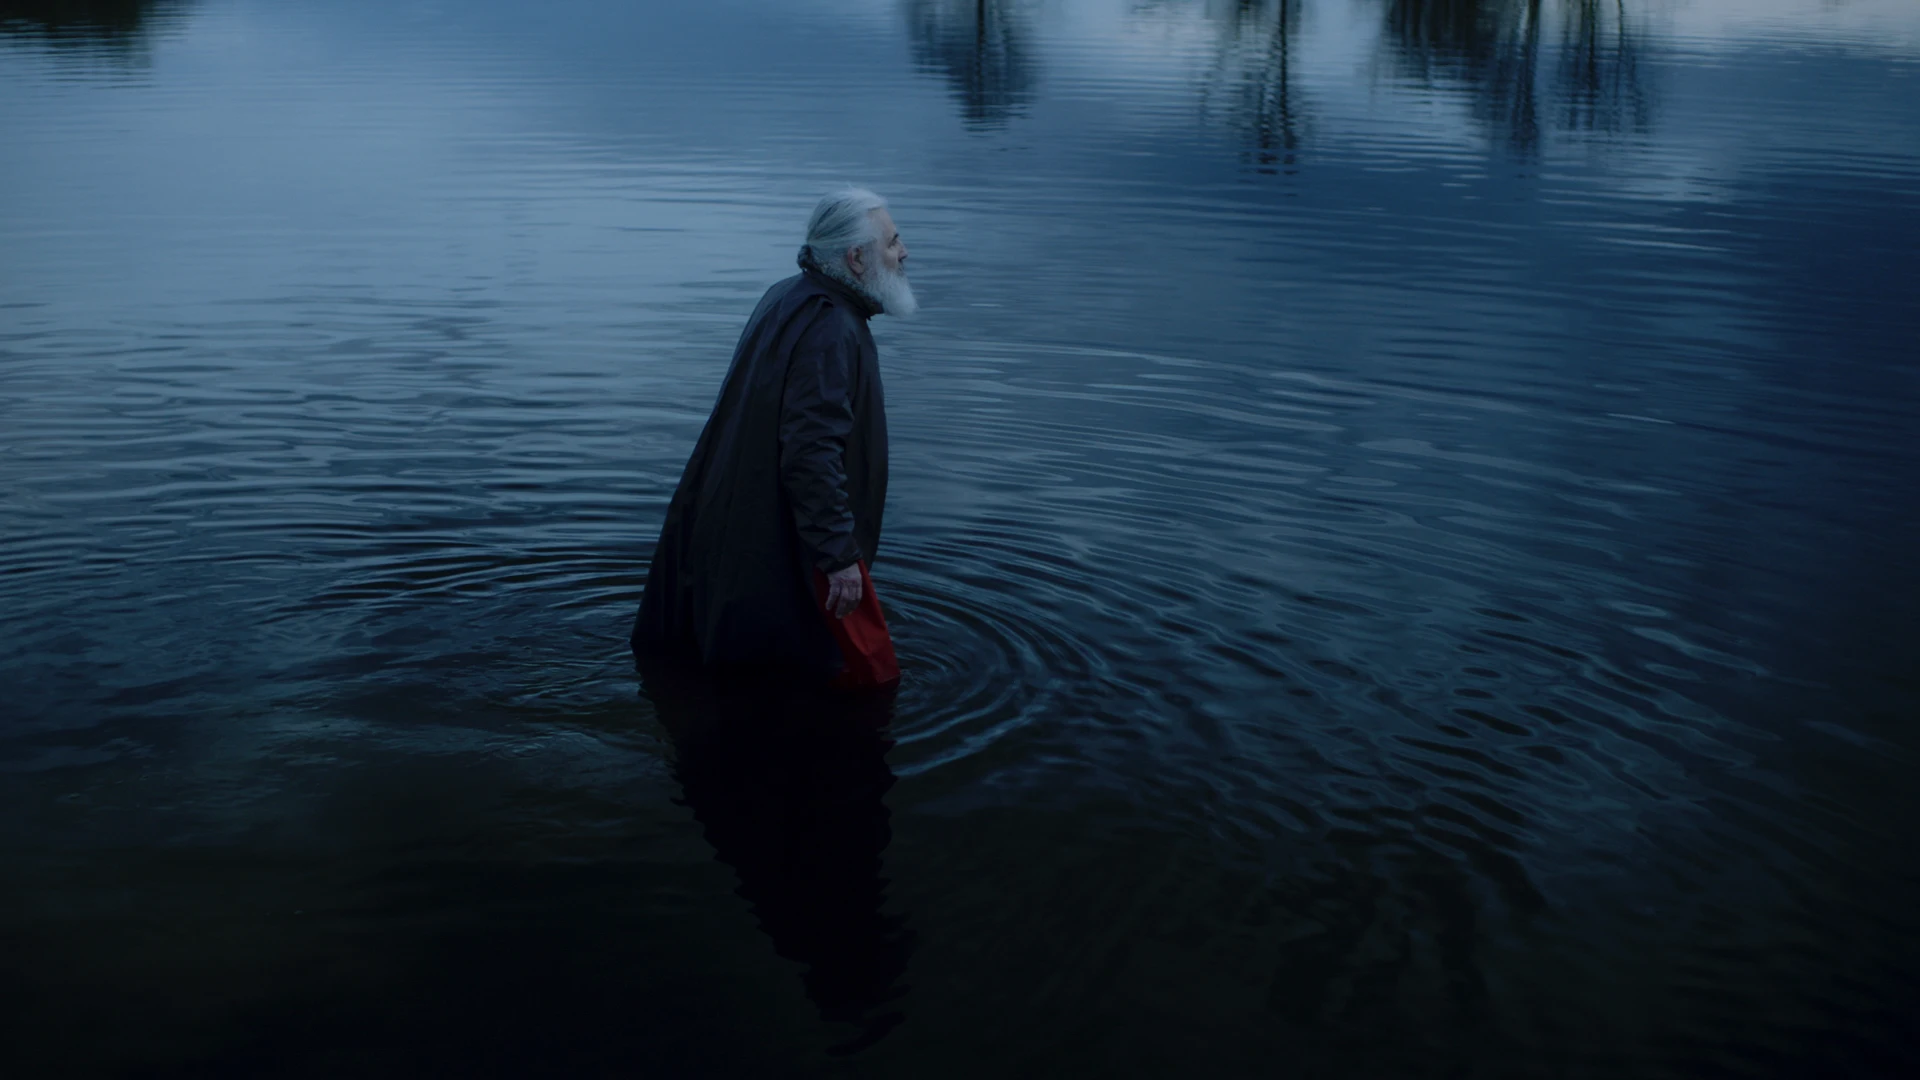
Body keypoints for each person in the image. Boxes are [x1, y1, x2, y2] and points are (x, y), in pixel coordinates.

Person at [631, 188, 914, 685]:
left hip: (747, 537)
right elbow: (810, 450)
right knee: (801, 699)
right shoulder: (831, 326)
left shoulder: (788, 295)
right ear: (856, 258)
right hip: (783, 556)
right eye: (892, 243)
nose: (904, 252)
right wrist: (838, 555)